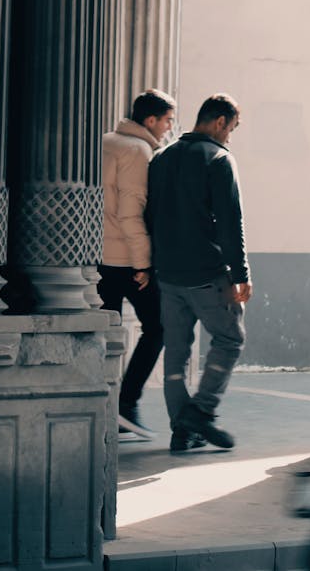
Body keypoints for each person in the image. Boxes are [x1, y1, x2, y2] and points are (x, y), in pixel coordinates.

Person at [147, 93, 252, 453]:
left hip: (168, 275)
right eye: (232, 128)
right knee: (230, 339)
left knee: (176, 353)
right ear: (220, 122)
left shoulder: (161, 158)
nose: (230, 136)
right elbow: (230, 224)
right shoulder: (220, 160)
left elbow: (151, 216)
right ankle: (201, 411)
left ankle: (182, 430)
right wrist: (241, 274)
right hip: (208, 275)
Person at [100, 88, 176, 438]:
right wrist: (142, 264)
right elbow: (131, 214)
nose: (168, 128)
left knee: (105, 333)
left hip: (98, 256)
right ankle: (126, 403)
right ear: (150, 120)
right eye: (167, 120)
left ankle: (102, 407)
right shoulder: (139, 151)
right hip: (123, 260)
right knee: (158, 327)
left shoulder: (106, 141)